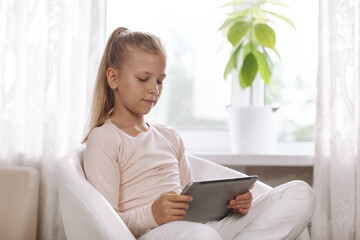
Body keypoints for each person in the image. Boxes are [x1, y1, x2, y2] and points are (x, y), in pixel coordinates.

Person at [83, 27, 316, 240]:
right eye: (144, 79)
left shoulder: (169, 137)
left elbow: (192, 202)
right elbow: (101, 225)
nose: (154, 89)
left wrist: (231, 205)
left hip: (197, 231)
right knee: (201, 235)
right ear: (113, 78)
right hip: (152, 233)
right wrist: (151, 215)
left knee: (300, 193)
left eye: (160, 81)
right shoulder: (105, 139)